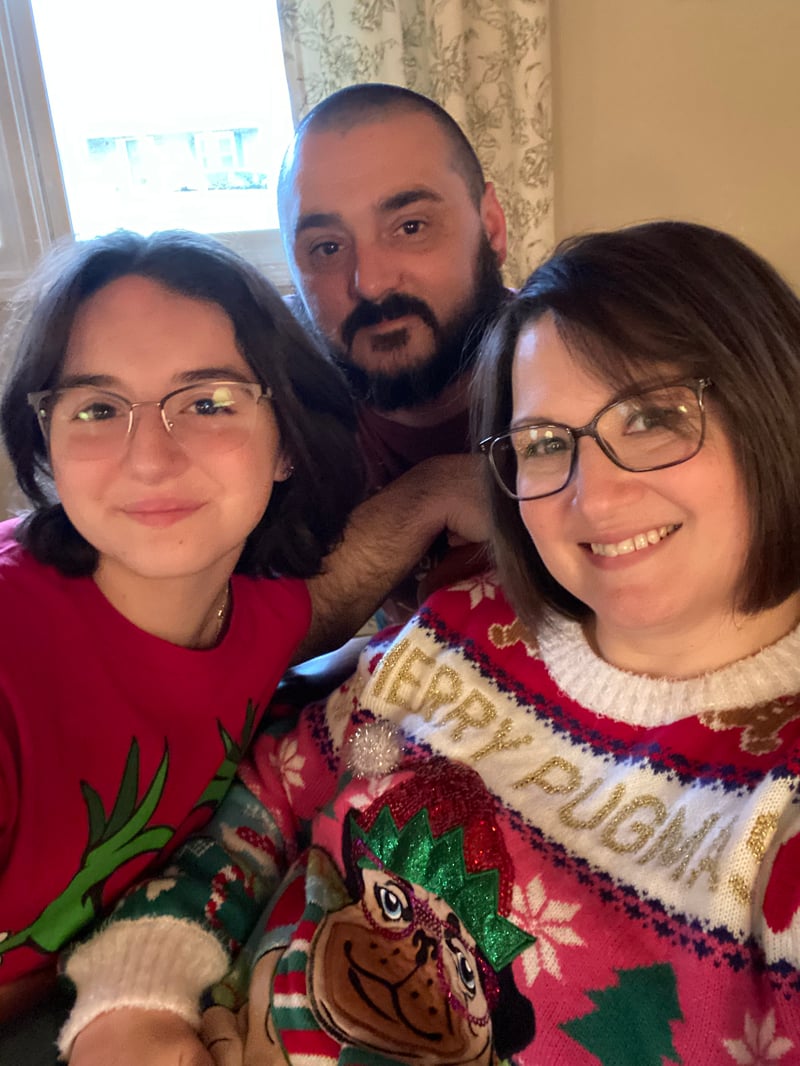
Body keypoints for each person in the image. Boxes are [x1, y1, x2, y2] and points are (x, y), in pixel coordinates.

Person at [61, 220, 800, 1065]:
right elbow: (269, 797)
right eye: (546, 443)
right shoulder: (460, 635)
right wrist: (133, 1001)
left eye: (655, 417)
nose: (594, 497)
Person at [0, 227, 486, 1033]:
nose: (149, 458)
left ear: (288, 440)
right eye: (96, 407)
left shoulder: (245, 614)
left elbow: (323, 602)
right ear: (47, 441)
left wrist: (438, 488)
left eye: (207, 402)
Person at [277, 82, 510, 621]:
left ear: (491, 228)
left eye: (410, 226)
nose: (372, 283)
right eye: (327, 248)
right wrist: (429, 495)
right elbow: (237, 638)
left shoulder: (584, 381)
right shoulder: (281, 411)